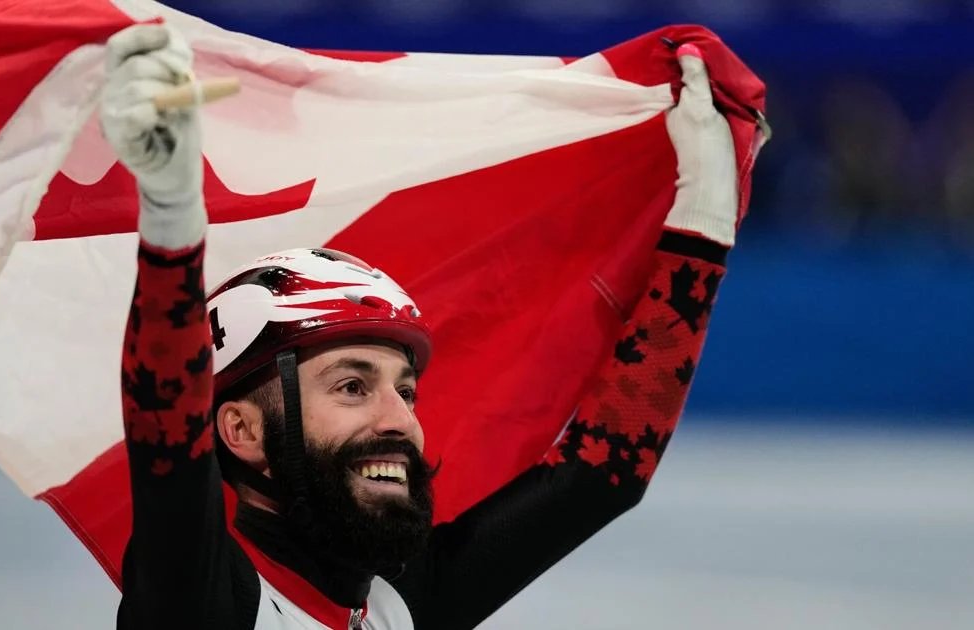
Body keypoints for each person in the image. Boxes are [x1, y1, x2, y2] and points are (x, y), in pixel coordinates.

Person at [103, 22, 740, 630]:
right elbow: (165, 434)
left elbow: (601, 474)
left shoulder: (392, 609)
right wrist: (170, 209)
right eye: (352, 386)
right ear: (241, 429)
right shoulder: (205, 607)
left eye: (404, 390)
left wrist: (705, 219)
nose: (400, 419)